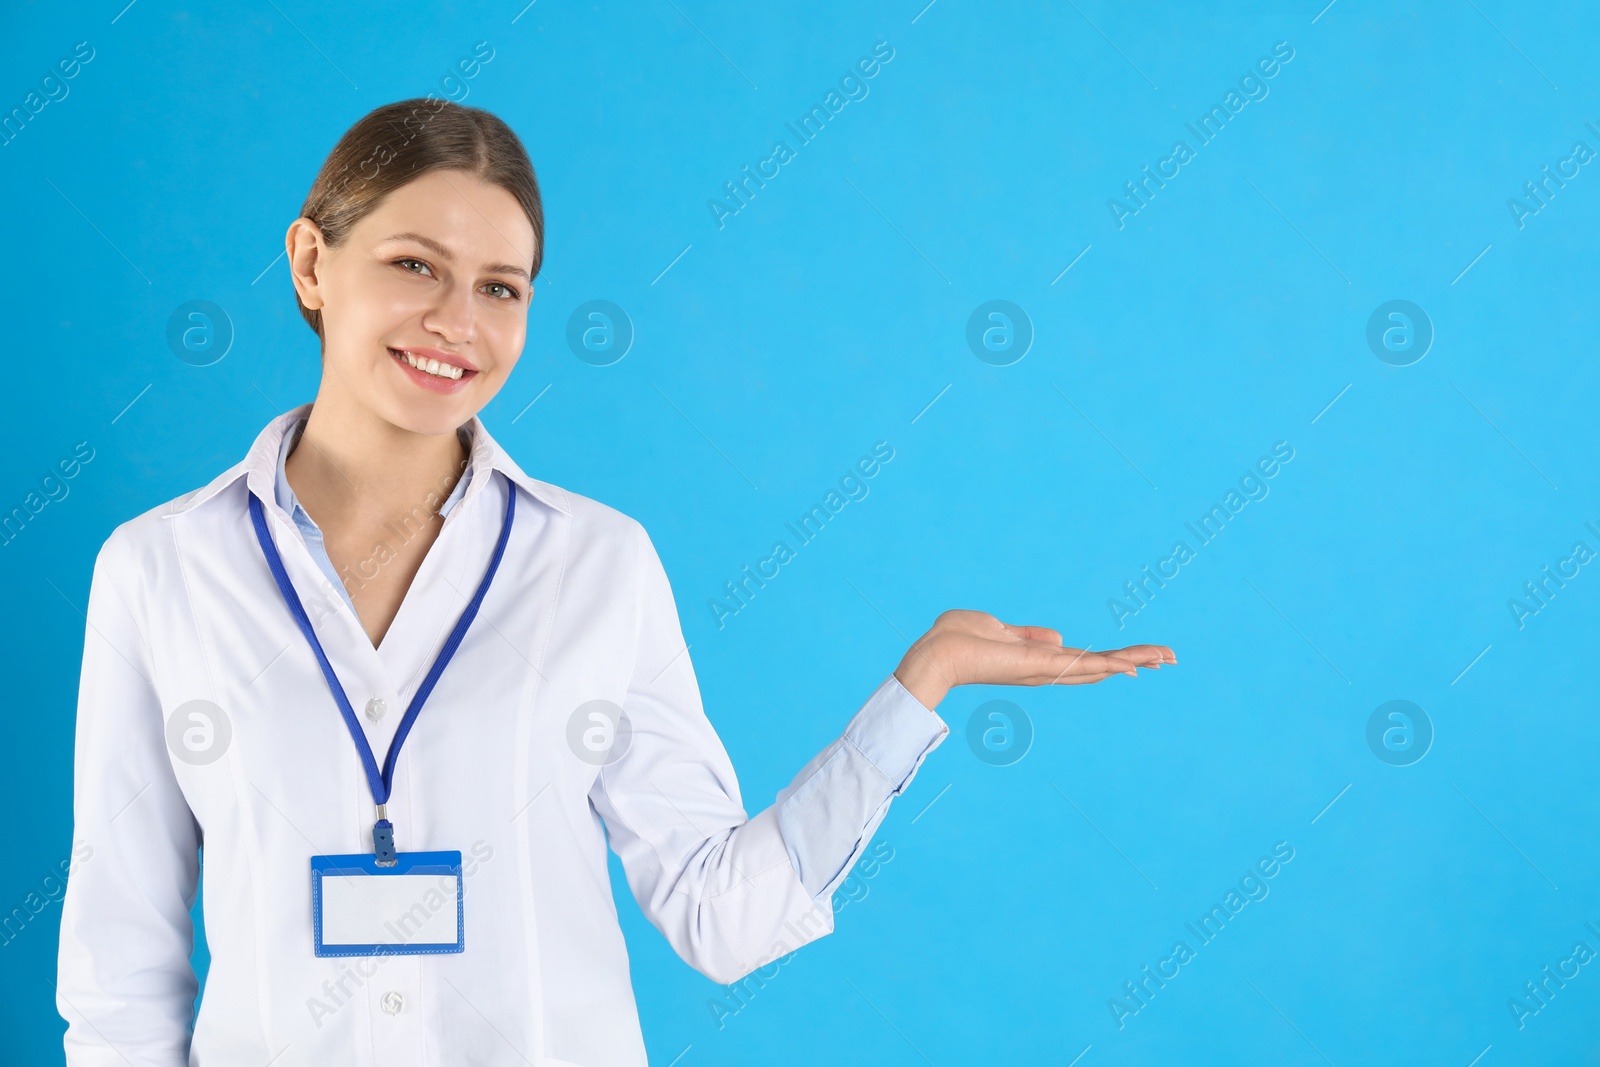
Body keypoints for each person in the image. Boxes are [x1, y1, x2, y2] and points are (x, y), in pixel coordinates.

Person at [55, 98, 1174, 1066]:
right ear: (310, 262)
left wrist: (918, 686)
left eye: (502, 287)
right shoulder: (162, 570)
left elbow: (719, 915)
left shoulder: (597, 563)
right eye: (414, 265)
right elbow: (119, 974)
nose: (457, 322)